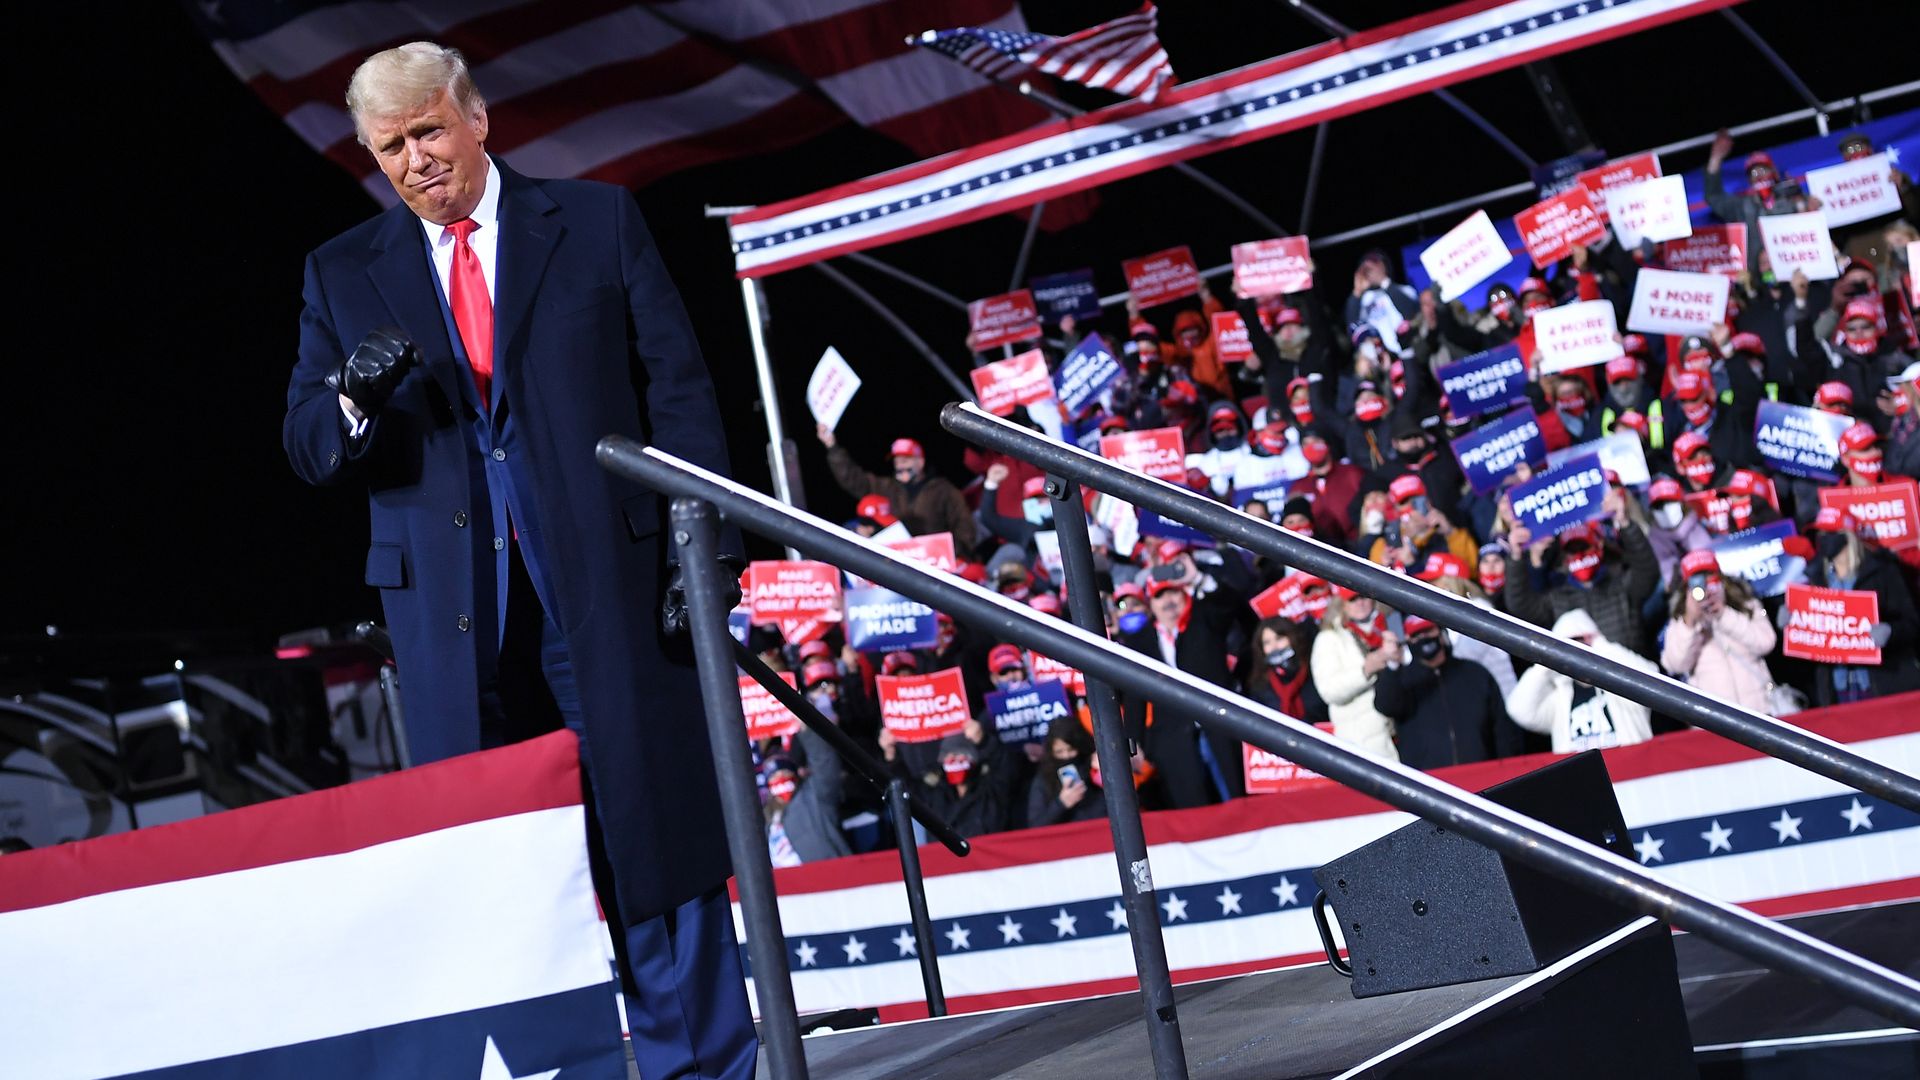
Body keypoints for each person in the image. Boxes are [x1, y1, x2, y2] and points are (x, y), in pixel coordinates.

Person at [281, 43, 753, 1074]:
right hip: (457, 624)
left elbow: (679, 391)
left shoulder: (595, 222)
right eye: (390, 147)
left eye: (429, 131)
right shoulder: (342, 271)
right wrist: (352, 395)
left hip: (610, 594)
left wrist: (703, 553)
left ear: (476, 119)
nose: (417, 161)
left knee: (654, 828)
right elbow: (310, 446)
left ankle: (708, 1063)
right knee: (506, 863)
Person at [1117, 576, 1246, 807]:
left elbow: (1231, 606)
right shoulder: (1139, 640)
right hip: (1174, 739)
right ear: (1150, 604)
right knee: (1193, 809)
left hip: (1221, 727)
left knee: (1236, 798)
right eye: (1159, 595)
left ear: (1185, 594)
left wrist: (1198, 577)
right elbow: (1134, 697)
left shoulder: (1204, 620)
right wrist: (1133, 746)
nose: (1167, 601)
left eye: (1173, 592)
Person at [1373, 616, 1522, 769]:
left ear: (1441, 633)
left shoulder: (1475, 673)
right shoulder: (1404, 681)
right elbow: (1385, 705)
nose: (1424, 638)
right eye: (1417, 635)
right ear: (1408, 641)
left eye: (1428, 631)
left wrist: (1507, 769)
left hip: (1482, 775)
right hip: (1431, 783)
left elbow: (1503, 730)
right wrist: (1392, 665)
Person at [1507, 609, 1659, 753]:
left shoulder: (1623, 687)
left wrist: (1600, 645)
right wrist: (1547, 660)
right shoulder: (1559, 698)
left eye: (1582, 643)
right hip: (1583, 778)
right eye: (1568, 648)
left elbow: (1652, 681)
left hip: (1632, 775)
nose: (1577, 654)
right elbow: (1519, 710)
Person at [1658, 551, 1778, 714]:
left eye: (1709, 579)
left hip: (1760, 712)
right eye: (1697, 583)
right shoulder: (1680, 620)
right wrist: (1691, 621)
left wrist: (1724, 614)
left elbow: (1766, 643)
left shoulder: (1745, 605)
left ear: (1721, 580)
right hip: (1715, 721)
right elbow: (1676, 664)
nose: (1705, 589)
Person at [818, 429, 976, 545]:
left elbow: (965, 527)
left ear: (920, 462)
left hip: (936, 563)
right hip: (899, 561)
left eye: (906, 460)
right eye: (897, 461)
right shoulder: (885, 487)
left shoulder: (944, 490)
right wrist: (832, 447)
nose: (900, 465)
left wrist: (954, 555)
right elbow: (853, 479)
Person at [1308, 587, 1400, 761]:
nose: (1360, 602)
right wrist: (1365, 670)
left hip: (1402, 731)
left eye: (1364, 595)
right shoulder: (1329, 639)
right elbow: (1329, 690)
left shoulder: (1392, 624)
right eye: (1353, 599)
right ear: (1341, 604)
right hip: (1362, 743)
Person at [1027, 715, 1107, 828]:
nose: (1066, 756)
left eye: (1071, 750)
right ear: (1051, 752)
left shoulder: (1095, 767)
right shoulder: (1044, 779)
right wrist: (1061, 803)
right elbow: (1035, 825)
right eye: (1059, 752)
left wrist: (1102, 774)